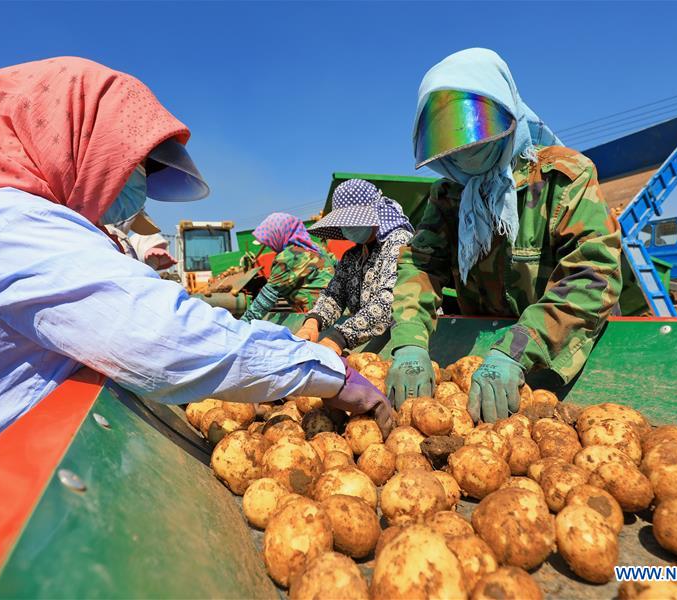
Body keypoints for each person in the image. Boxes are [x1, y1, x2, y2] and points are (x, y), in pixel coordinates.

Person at [0, 58, 392, 534]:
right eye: (133, 166)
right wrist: (323, 371)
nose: (137, 187)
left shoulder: (0, 221)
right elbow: (165, 337)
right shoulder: (7, 226)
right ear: (73, 142)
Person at [386, 48, 622, 423]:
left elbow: (593, 275)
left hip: (557, 347)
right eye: (452, 134)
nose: (466, 145)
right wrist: (410, 342)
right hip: (484, 363)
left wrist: (516, 349)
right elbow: (421, 264)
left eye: (474, 126)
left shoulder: (564, 177)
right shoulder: (450, 196)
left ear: (507, 110)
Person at [294, 179, 414, 355]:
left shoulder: (399, 243)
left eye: (354, 221)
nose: (350, 228)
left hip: (406, 341)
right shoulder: (352, 256)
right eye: (346, 223)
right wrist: (313, 322)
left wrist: (339, 338)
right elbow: (334, 295)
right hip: (369, 343)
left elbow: (390, 301)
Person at [239, 213, 337, 322]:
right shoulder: (315, 248)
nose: (270, 247)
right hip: (333, 312)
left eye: (270, 242)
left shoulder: (290, 256)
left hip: (316, 319)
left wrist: (242, 324)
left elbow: (267, 297)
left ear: (279, 234)